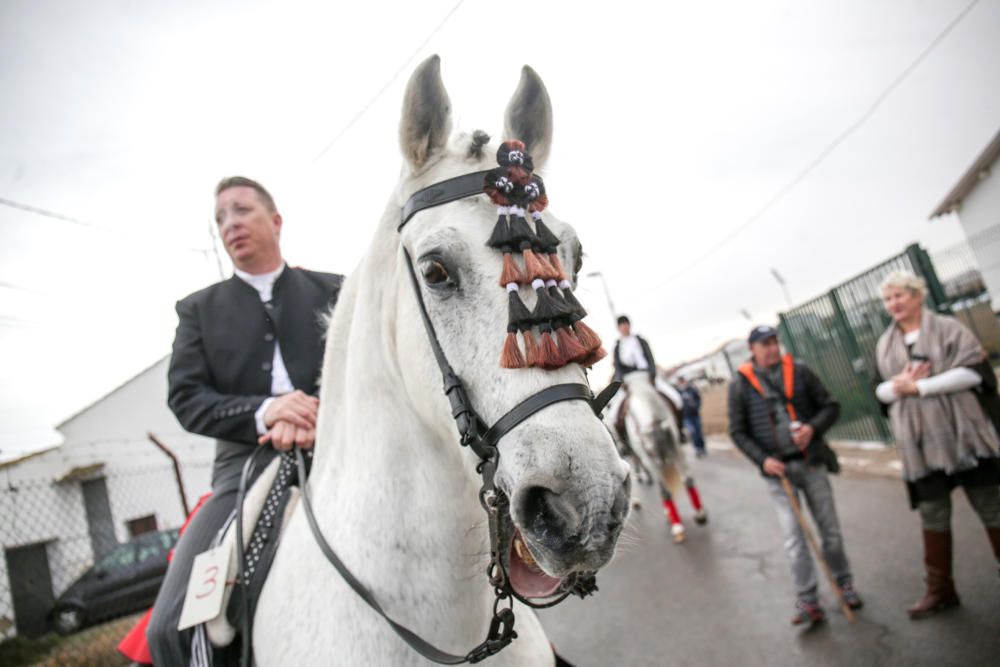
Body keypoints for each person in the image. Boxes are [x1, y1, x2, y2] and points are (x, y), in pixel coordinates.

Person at [146, 177, 343, 664]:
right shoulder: (197, 310)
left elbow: (370, 372)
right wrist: (265, 410)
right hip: (242, 471)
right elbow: (186, 398)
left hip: (344, 445)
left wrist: (319, 413)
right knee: (170, 627)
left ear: (275, 221)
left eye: (241, 210)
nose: (229, 224)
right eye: (220, 218)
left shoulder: (336, 289)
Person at [874, 270, 1000, 619]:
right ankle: (940, 589)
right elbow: (879, 390)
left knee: (992, 505)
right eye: (888, 299)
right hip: (919, 445)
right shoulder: (885, 344)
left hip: (965, 436)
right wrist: (898, 384)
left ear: (918, 296)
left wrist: (922, 388)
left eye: (899, 295)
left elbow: (975, 371)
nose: (893, 304)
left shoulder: (948, 329)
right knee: (933, 512)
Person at [728, 325, 862, 625]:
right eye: (765, 344)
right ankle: (808, 599)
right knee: (794, 538)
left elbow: (831, 406)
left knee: (829, 530)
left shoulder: (800, 371)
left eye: (775, 342)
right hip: (779, 475)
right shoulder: (740, 384)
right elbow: (737, 431)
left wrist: (812, 428)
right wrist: (763, 460)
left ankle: (844, 584)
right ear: (753, 349)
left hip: (811, 462)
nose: (772, 348)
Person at [610, 315, 682, 440]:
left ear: (629, 325)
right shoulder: (617, 347)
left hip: (647, 377)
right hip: (630, 381)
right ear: (618, 328)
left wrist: (652, 374)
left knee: (676, 399)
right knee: (614, 415)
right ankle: (625, 441)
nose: (624, 328)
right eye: (621, 326)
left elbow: (650, 358)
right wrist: (621, 381)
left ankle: (680, 430)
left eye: (626, 324)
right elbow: (618, 368)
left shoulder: (641, 341)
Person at [677, 376, 707, 457]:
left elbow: (698, 399)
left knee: (699, 432)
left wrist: (696, 406)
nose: (682, 383)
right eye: (680, 382)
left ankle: (702, 447)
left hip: (695, 414)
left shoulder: (691, 389)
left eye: (683, 381)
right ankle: (698, 449)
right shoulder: (678, 393)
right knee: (692, 432)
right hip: (686, 417)